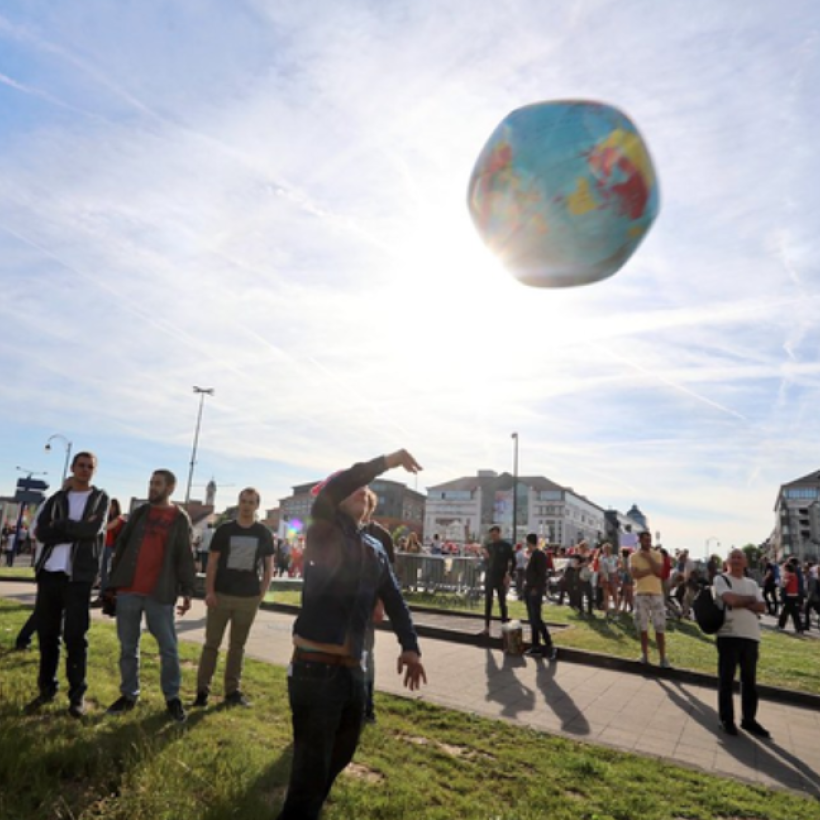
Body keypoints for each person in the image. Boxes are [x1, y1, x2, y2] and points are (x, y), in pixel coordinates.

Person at [277, 450, 426, 820]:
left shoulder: (376, 549)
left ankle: (304, 810)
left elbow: (395, 599)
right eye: (354, 488)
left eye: (365, 491)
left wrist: (411, 647)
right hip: (314, 668)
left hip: (353, 672)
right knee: (310, 767)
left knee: (342, 752)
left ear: (370, 505)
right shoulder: (323, 528)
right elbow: (346, 480)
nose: (360, 490)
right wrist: (388, 461)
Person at [105, 469, 196, 723]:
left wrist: (188, 590)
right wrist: (112, 584)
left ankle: (172, 698)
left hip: (160, 592)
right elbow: (121, 547)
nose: (152, 487)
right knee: (127, 647)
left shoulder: (180, 518)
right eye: (151, 483)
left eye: (157, 484)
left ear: (170, 488)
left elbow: (184, 556)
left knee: (169, 648)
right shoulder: (139, 513)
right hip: (128, 590)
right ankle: (128, 695)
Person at [24, 452, 109, 718]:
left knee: (76, 636)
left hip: (79, 577)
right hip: (50, 573)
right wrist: (68, 528)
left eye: (90, 467)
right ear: (72, 468)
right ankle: (46, 689)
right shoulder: (56, 499)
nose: (84, 470)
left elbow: (91, 531)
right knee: (48, 635)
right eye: (80, 466)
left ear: (94, 471)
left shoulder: (99, 499)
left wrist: (60, 526)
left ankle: (77, 696)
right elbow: (41, 533)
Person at [193, 488, 274, 708]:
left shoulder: (263, 533)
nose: (246, 505)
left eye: (251, 502)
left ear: (257, 505)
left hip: (248, 598)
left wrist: (261, 594)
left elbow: (269, 567)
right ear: (238, 503)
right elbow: (212, 563)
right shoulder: (225, 530)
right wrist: (209, 591)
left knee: (237, 646)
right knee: (211, 645)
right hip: (221, 595)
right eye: (243, 501)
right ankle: (202, 692)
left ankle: (232, 692)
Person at [713, 549, 769, 738]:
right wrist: (749, 601)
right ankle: (726, 720)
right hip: (729, 635)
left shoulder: (752, 584)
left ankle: (749, 720)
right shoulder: (721, 580)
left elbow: (762, 607)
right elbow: (729, 599)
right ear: (726, 562)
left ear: (745, 562)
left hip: (751, 636)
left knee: (749, 681)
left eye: (740, 557)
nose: (736, 560)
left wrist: (740, 601)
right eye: (733, 557)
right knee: (727, 679)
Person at [361, 487, 396, 723]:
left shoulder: (381, 536)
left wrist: (380, 604)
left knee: (366, 655)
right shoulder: (340, 531)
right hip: (341, 606)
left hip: (367, 604)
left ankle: (367, 707)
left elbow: (388, 576)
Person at [629, 531, 670, 667]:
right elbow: (635, 574)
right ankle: (645, 655)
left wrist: (648, 558)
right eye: (645, 540)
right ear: (640, 540)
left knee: (659, 627)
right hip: (641, 593)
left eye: (649, 539)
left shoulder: (657, 555)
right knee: (643, 627)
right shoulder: (633, 556)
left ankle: (663, 658)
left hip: (656, 593)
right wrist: (650, 570)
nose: (648, 542)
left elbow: (659, 572)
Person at [523, 534, 557, 659]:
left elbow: (542, 575)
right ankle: (535, 645)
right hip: (529, 589)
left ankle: (549, 645)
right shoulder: (533, 554)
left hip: (534, 590)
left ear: (530, 542)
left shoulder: (539, 554)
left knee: (536, 618)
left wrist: (536, 588)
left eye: (527, 543)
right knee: (532, 619)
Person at [481, 525, 514, 636]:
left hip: (501, 577)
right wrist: (485, 559)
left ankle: (504, 629)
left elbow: (513, 561)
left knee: (502, 603)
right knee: (488, 602)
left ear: (499, 533)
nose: (493, 537)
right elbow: (486, 562)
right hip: (490, 576)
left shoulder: (506, 546)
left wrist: (509, 574)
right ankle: (486, 628)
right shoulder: (489, 546)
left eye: (495, 535)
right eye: (492, 535)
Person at [95, 498, 125, 604]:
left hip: (110, 547)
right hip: (103, 546)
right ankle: (103, 593)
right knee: (102, 571)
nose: (110, 509)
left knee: (105, 572)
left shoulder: (118, 519)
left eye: (112, 506)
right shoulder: (109, 518)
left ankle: (104, 594)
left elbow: (106, 528)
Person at [777, 558, 805, 635]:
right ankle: (799, 628)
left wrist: (781, 582)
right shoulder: (795, 575)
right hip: (795, 595)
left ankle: (780, 625)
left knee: (785, 611)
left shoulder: (788, 575)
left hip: (788, 595)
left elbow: (784, 585)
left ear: (787, 568)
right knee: (794, 612)